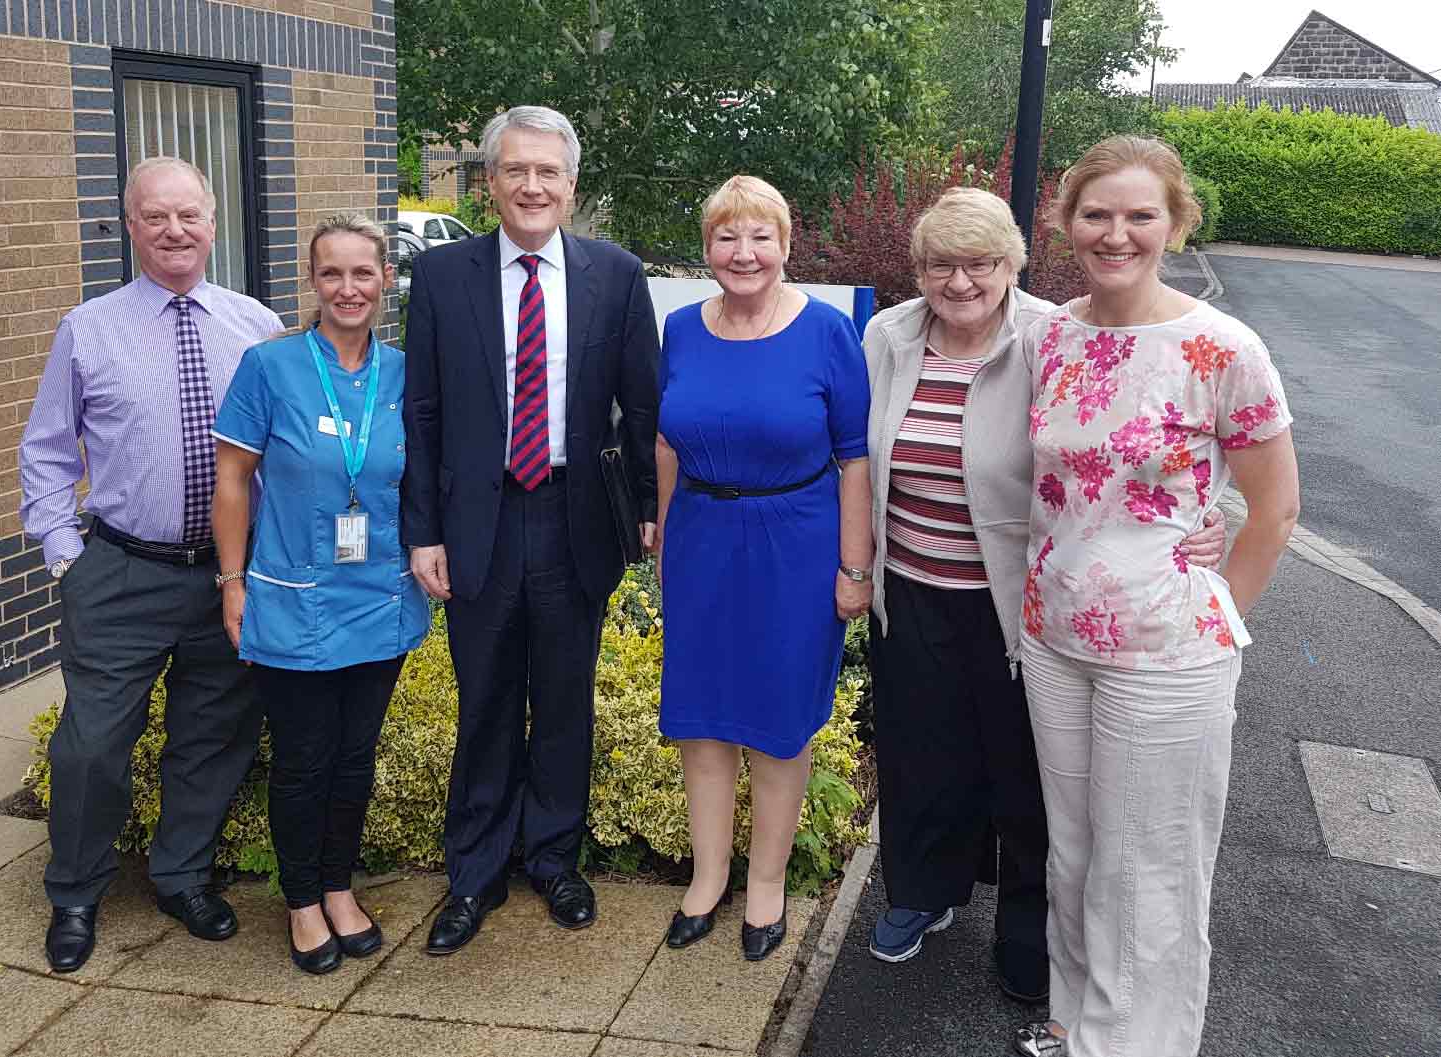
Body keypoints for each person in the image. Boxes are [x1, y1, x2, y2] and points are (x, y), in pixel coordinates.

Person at [860, 188, 1229, 1005]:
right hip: (911, 588)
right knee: (922, 756)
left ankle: (1026, 928)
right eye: (940, 264)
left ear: (1013, 265)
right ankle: (924, 895)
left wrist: (1209, 516)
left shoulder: (1051, 336)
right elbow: (858, 452)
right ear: (917, 268)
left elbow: (1137, 436)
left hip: (1021, 599)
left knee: (1024, 775)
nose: (960, 282)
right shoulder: (887, 335)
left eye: (981, 263)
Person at [1012, 136, 1299, 1057]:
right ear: (1065, 223)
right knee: (1077, 852)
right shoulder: (1051, 332)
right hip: (1055, 634)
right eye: (1096, 213)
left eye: (1140, 214)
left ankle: (1134, 1046)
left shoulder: (1222, 346)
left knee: (1153, 871)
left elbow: (1277, 507)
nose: (1116, 233)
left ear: (1176, 223)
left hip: (1169, 654)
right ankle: (1072, 1020)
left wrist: (1217, 615)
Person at [401, 105, 660, 954]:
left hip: (572, 518)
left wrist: (648, 516)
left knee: (562, 701)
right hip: (478, 523)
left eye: (548, 171)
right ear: (489, 182)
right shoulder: (442, 277)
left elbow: (644, 403)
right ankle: (472, 875)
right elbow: (424, 413)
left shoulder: (616, 276)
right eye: (516, 170)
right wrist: (424, 531)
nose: (532, 185)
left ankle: (553, 860)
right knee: (484, 704)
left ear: (572, 184)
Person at [18, 157, 283, 973]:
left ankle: (181, 875)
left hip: (225, 574)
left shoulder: (257, 326)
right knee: (92, 745)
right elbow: (47, 450)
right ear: (129, 225)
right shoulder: (88, 329)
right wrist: (67, 556)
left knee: (213, 734)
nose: (175, 231)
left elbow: (287, 448)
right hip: (122, 571)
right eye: (156, 217)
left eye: (189, 216)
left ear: (212, 221)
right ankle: (74, 892)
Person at [654, 175, 872, 962]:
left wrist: (856, 567)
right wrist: (661, 535)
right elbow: (666, 441)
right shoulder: (681, 328)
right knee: (702, 717)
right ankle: (708, 877)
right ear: (707, 247)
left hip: (797, 544)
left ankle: (767, 883)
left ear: (786, 245)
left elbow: (854, 458)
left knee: (780, 724)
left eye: (759, 237)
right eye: (725, 237)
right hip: (701, 539)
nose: (742, 253)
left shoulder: (825, 333)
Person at [210, 214, 429, 975]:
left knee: (354, 756)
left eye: (363, 273)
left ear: (386, 281)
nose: (348, 288)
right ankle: (302, 901)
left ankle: (339, 887)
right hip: (291, 597)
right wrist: (230, 579)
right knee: (303, 757)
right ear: (312, 280)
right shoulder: (268, 367)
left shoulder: (405, 374)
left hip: (380, 596)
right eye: (331, 273)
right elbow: (233, 480)